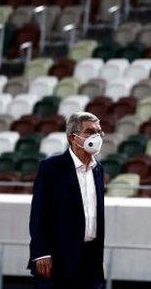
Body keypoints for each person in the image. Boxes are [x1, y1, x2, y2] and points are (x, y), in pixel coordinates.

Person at [27, 112, 106, 289]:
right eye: (90, 131)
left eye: (99, 132)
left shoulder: (98, 169)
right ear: (73, 137)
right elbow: (39, 212)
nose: (97, 136)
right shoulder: (51, 167)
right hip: (58, 258)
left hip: (90, 258)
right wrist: (41, 253)